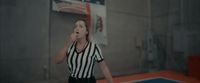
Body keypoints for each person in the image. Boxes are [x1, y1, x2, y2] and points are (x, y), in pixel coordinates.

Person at [55, 18, 114, 83]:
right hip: (73, 81)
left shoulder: (94, 47)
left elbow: (104, 68)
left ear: (86, 32)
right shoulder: (69, 46)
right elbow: (57, 60)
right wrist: (67, 43)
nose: (77, 28)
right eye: (75, 26)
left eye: (81, 26)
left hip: (88, 81)